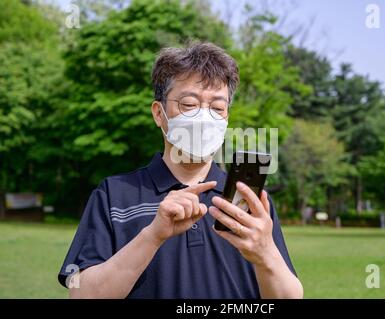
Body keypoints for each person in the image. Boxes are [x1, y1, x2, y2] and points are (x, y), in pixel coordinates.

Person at [58, 42, 303, 299]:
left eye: (218, 108)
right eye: (189, 104)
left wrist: (265, 254)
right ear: (159, 113)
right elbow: (82, 295)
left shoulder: (249, 202)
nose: (204, 118)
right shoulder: (114, 195)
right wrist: (153, 236)